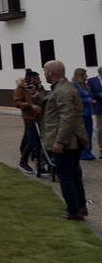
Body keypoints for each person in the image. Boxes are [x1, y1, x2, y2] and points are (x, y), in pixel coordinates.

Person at [35, 60, 89, 220]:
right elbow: (51, 104)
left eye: (44, 70)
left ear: (51, 72)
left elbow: (66, 117)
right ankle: (80, 206)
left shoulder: (63, 90)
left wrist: (59, 141)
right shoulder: (62, 88)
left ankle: (74, 210)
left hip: (67, 141)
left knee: (65, 175)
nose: (43, 73)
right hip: (70, 139)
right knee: (73, 174)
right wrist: (35, 97)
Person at [13, 71, 41, 174]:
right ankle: (23, 162)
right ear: (32, 79)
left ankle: (40, 165)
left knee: (40, 144)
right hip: (29, 119)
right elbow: (17, 102)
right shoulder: (20, 89)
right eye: (37, 78)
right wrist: (30, 106)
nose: (39, 80)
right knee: (32, 141)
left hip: (41, 119)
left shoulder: (39, 88)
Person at [74, 66, 100, 161]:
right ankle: (82, 153)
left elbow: (90, 95)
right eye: (85, 74)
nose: (87, 76)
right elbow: (75, 99)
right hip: (81, 113)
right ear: (80, 75)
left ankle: (88, 152)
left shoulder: (85, 86)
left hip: (88, 112)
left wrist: (92, 100)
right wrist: (86, 100)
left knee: (89, 133)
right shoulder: (75, 85)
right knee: (82, 134)